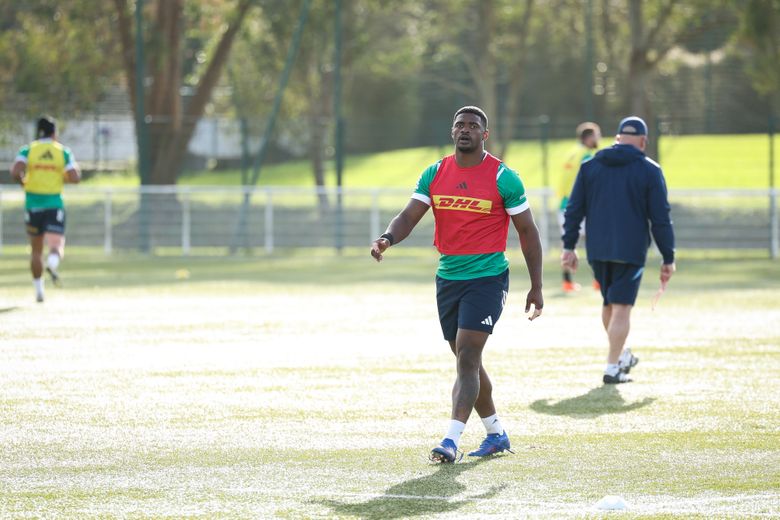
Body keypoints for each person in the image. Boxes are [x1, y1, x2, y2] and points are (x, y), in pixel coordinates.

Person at [371, 106, 544, 463]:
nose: (465, 130)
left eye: (473, 126)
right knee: (468, 360)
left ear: (485, 133)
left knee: (467, 356)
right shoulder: (435, 173)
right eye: (459, 125)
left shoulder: (503, 177)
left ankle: (450, 440)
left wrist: (536, 285)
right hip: (448, 277)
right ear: (452, 132)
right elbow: (409, 216)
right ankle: (496, 433)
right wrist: (387, 238)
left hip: (488, 278)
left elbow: (527, 232)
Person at [561, 116, 675, 384]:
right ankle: (613, 368)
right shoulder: (650, 170)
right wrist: (668, 256)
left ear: (617, 138)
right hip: (631, 250)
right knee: (621, 307)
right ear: (644, 141)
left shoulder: (590, 167)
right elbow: (660, 218)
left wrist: (569, 246)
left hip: (597, 249)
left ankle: (620, 354)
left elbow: (574, 210)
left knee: (609, 302)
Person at [10, 116, 81, 302]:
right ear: (54, 133)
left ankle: (39, 291)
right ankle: (52, 263)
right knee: (56, 245)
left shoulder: (29, 149)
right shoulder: (62, 152)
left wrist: (23, 182)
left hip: (32, 205)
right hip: (54, 204)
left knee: (36, 250)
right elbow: (75, 177)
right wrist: (61, 175)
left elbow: (15, 171)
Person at [557, 122, 600, 293]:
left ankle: (567, 282)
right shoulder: (586, 155)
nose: (599, 139)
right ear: (589, 138)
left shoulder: (571, 152)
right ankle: (599, 279)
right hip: (578, 204)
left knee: (569, 243)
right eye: (597, 135)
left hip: (563, 203)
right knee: (593, 240)